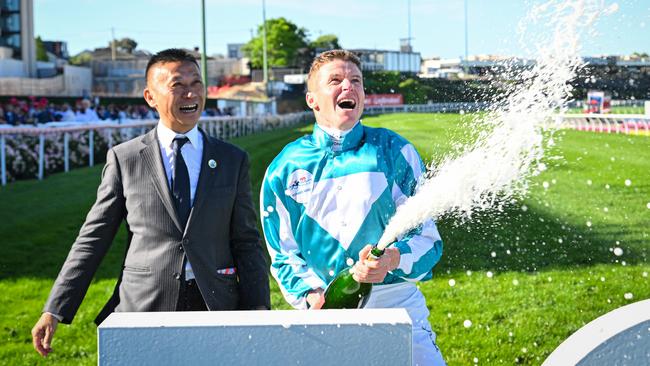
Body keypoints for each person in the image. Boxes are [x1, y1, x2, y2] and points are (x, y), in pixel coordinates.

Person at [32, 48, 270, 357]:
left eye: (196, 83)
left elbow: (246, 240)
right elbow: (93, 238)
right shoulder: (125, 158)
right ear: (150, 96)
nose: (190, 92)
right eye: (177, 85)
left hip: (216, 303)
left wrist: (259, 305)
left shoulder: (232, 159)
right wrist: (55, 307)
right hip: (144, 305)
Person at [260, 50, 445, 365]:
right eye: (335, 80)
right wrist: (313, 297)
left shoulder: (395, 151)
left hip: (397, 304)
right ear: (312, 100)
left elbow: (427, 238)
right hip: (323, 313)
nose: (348, 86)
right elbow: (283, 254)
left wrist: (391, 258)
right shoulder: (283, 168)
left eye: (355, 81)